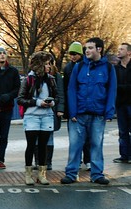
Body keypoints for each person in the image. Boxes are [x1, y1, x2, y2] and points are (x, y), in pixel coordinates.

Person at [61, 37, 117, 185]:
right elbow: (71, 90)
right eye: (86, 48)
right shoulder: (78, 67)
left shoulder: (109, 68)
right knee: (75, 145)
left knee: (97, 145)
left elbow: (112, 91)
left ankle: (97, 174)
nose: (87, 51)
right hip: (78, 114)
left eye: (90, 48)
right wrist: (72, 112)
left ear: (99, 49)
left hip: (98, 115)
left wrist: (109, 112)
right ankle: (71, 173)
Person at [17, 51, 58, 185]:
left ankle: (42, 174)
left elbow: (57, 96)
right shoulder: (29, 79)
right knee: (31, 145)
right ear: (39, 65)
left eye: (50, 64)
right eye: (46, 64)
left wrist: (52, 102)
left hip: (47, 116)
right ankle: (28, 175)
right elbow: (20, 99)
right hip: (32, 116)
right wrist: (38, 102)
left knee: (43, 146)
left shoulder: (51, 79)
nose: (49, 66)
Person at [63, 41, 91, 171]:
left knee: (87, 137)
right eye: (71, 54)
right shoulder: (68, 68)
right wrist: (67, 110)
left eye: (75, 54)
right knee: (75, 137)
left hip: (84, 106)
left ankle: (88, 159)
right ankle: (77, 160)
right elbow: (66, 89)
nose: (72, 56)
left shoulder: (87, 66)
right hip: (72, 106)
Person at [113, 42, 131, 164]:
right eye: (118, 49)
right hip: (120, 104)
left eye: (121, 49)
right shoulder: (115, 68)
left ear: (129, 52)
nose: (118, 51)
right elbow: (112, 86)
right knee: (123, 131)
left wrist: (119, 87)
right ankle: (124, 155)